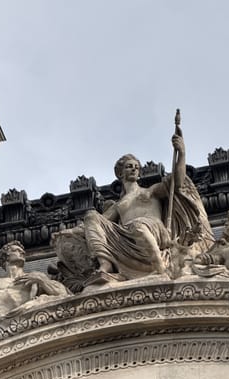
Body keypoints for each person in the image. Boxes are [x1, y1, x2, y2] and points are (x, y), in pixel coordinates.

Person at [52, 123, 213, 288]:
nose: (134, 169)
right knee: (91, 216)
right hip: (128, 237)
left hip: (155, 231)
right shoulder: (118, 205)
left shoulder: (150, 191)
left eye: (136, 167)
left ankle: (160, 268)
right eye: (129, 167)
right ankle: (105, 265)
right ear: (120, 173)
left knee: (137, 225)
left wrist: (182, 153)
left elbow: (177, 182)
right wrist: (68, 232)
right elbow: (93, 224)